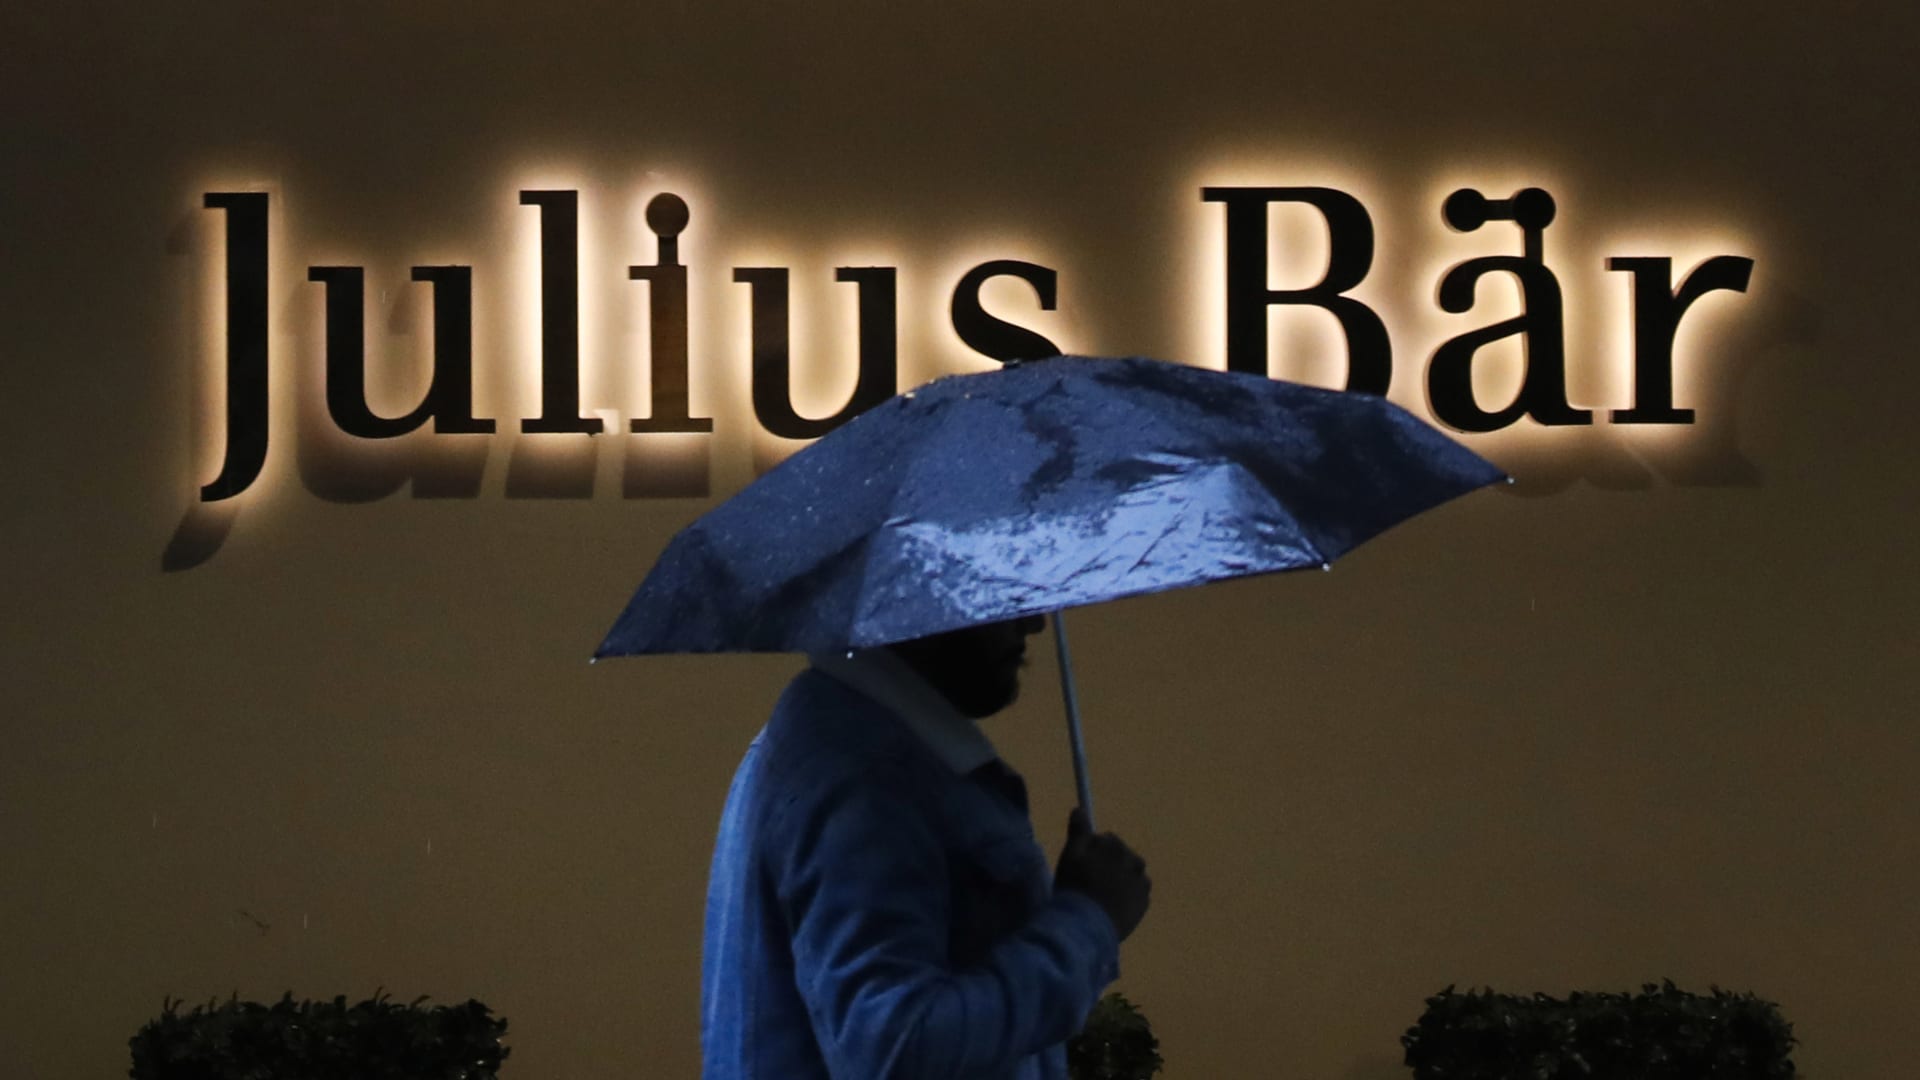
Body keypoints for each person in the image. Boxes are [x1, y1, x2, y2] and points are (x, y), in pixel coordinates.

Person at [700, 613, 1153, 1079]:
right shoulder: (865, 778)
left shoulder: (840, 736)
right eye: (995, 592)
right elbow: (898, 1048)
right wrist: (1087, 922)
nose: (1034, 621)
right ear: (919, 598)